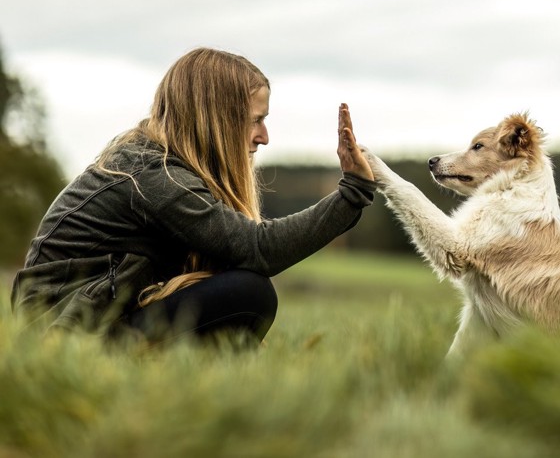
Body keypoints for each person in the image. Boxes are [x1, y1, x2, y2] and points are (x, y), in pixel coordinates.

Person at [10, 47, 375, 346]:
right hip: (65, 339)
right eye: (255, 120)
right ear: (217, 118)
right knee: (247, 294)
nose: (264, 136)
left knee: (235, 288)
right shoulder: (153, 175)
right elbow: (258, 249)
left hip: (87, 325)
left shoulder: (158, 163)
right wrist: (352, 194)